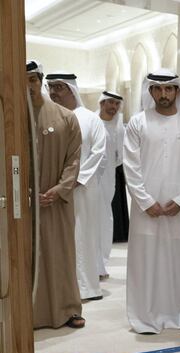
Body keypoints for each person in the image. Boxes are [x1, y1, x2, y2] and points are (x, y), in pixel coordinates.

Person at [123, 69, 180, 334]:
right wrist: (145, 201)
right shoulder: (138, 122)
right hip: (145, 207)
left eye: (169, 89)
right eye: (158, 89)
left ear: (177, 91)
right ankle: (144, 316)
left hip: (178, 207)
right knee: (145, 260)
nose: (163, 94)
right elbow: (131, 165)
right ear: (150, 91)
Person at [25, 60, 85, 329]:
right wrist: (22, 192)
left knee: (61, 253)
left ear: (40, 81)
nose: (29, 87)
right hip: (23, 204)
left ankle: (68, 309)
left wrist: (59, 190)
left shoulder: (66, 117)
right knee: (27, 256)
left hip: (57, 203)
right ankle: (30, 313)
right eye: (23, 81)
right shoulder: (10, 118)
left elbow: (74, 160)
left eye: (33, 80)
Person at [46, 72, 107, 301]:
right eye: (50, 87)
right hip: (53, 191)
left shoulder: (91, 119)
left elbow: (98, 153)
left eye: (59, 87)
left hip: (83, 189)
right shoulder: (49, 117)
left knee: (83, 237)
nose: (53, 92)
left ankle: (86, 288)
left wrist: (73, 181)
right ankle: (61, 289)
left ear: (72, 90)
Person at [97, 90, 124, 279]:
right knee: (93, 221)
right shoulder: (94, 122)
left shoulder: (118, 127)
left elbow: (118, 158)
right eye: (111, 103)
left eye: (117, 104)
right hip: (92, 180)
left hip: (108, 181)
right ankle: (95, 264)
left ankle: (102, 261)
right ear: (102, 103)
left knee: (105, 220)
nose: (113, 107)